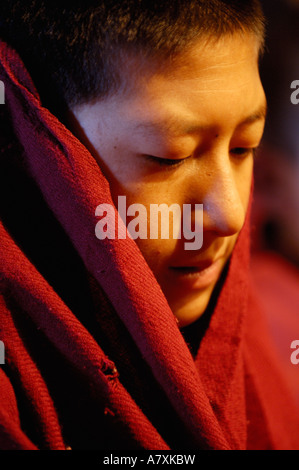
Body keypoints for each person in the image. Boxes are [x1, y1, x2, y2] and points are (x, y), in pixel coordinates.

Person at [0, 0, 298, 450]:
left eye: (244, 147)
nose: (232, 215)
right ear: (40, 138)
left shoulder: (259, 340)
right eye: (169, 157)